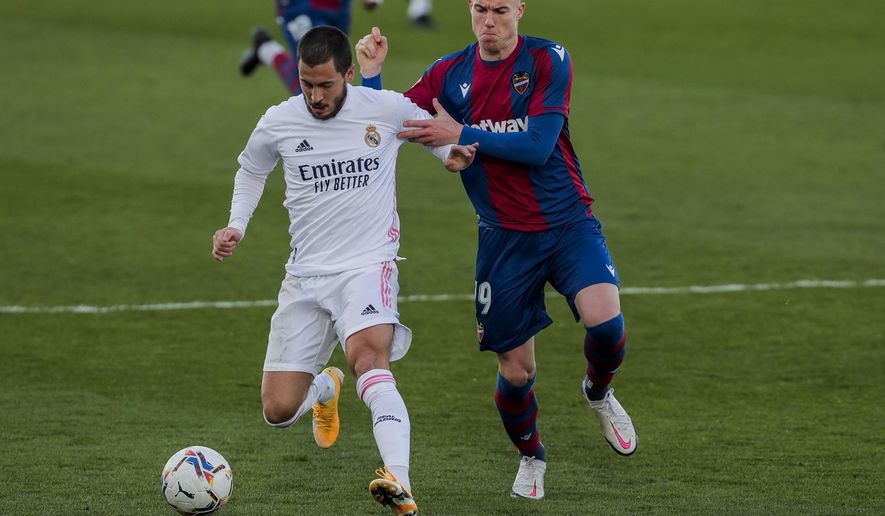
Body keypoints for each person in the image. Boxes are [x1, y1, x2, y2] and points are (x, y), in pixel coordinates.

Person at [356, 0, 637, 501]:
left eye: (501, 10)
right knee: (516, 371)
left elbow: (538, 146)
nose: (489, 20)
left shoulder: (548, 59)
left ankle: (598, 392)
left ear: (520, 10)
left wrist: (460, 133)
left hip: (567, 222)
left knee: (607, 325)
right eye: (480, 8)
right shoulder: (448, 73)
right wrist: (373, 74)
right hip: (503, 239)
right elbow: (388, 123)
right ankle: (532, 456)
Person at [214, 26, 476, 515]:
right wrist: (236, 226)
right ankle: (324, 387)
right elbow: (252, 169)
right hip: (305, 276)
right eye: (306, 84)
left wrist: (454, 154)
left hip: (367, 266)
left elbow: (439, 139)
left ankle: (398, 479)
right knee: (278, 411)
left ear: (349, 75)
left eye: (325, 85)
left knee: (369, 360)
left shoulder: (386, 108)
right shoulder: (279, 121)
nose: (315, 96)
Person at [240, 0, 433, 95]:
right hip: (301, 6)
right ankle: (266, 49)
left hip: (337, 7)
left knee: (330, 73)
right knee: (315, 81)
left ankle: (265, 48)